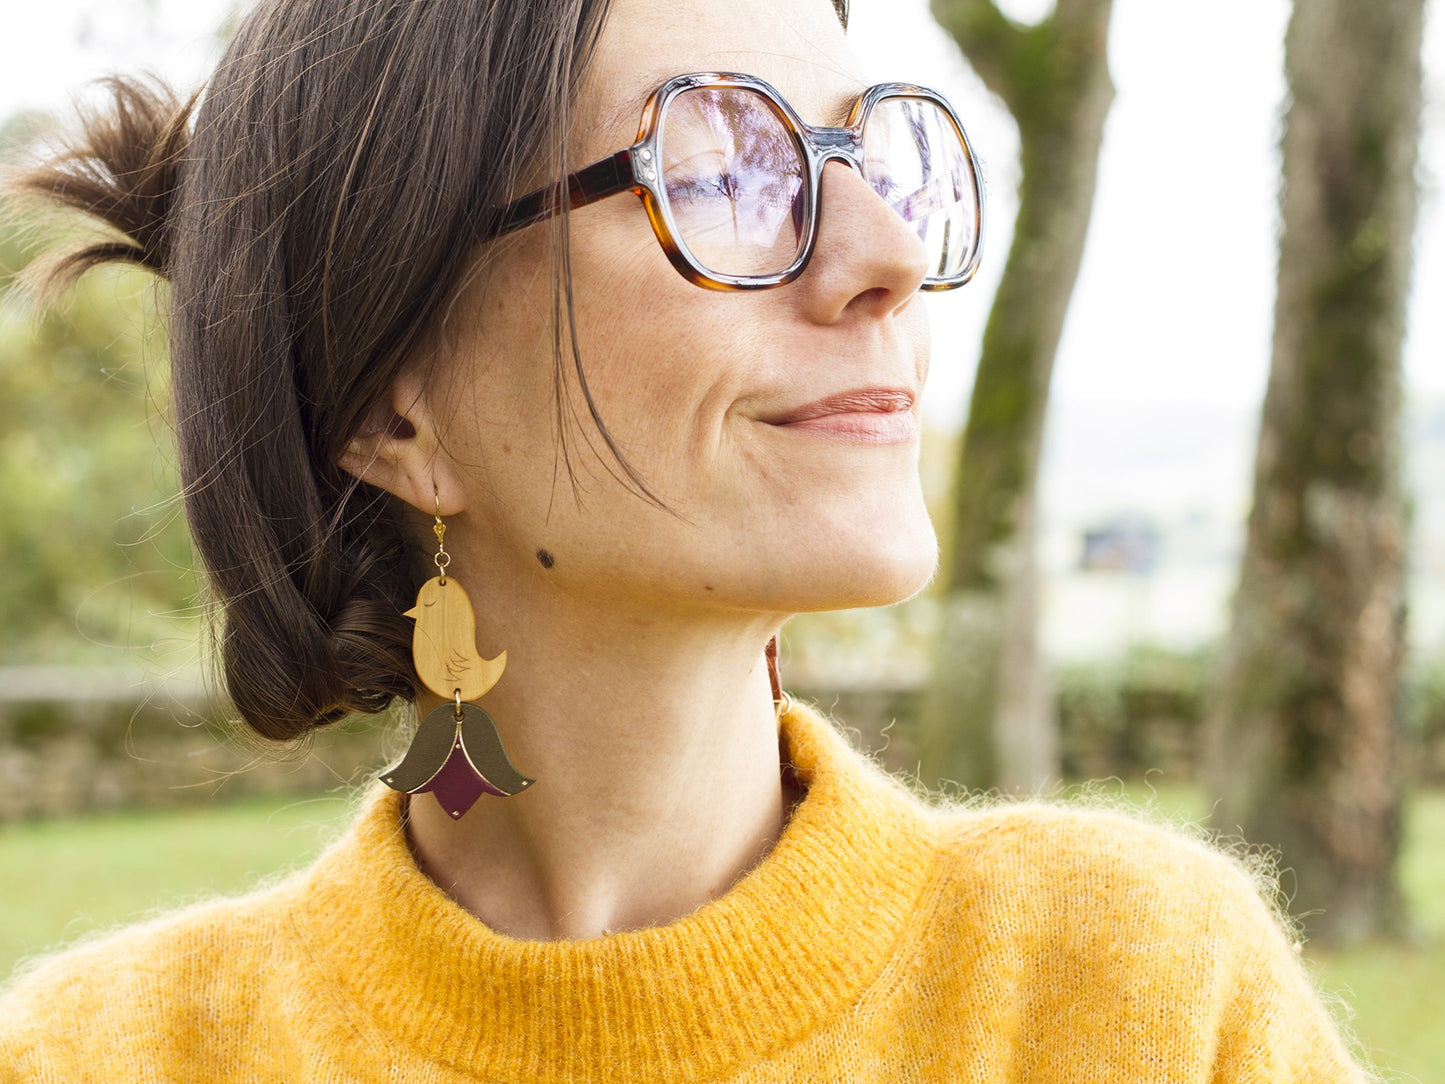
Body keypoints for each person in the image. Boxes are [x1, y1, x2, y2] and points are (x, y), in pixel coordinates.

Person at [0, 0, 1373, 1079]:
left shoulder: (1133, 996)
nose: (888, 251)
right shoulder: (106, 1059)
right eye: (722, 167)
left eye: (868, 153)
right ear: (391, 410)